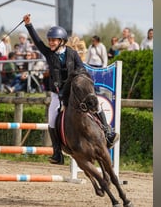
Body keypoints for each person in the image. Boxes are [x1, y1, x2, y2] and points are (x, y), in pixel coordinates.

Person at [23, 14, 119, 165]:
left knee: (97, 105)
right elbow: (37, 41)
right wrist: (29, 25)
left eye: (53, 40)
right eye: (50, 40)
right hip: (57, 95)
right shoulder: (49, 54)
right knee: (52, 120)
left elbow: (81, 69)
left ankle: (108, 132)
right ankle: (57, 153)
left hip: (73, 92)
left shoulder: (72, 54)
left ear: (61, 41)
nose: (51, 42)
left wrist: (75, 84)